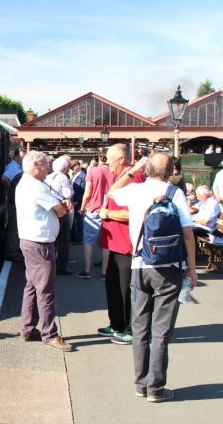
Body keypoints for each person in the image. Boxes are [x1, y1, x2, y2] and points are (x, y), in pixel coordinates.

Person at [108, 153, 197, 403]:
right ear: (171, 171)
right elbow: (188, 234)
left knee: (140, 327)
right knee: (161, 330)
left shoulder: (135, 189)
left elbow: (112, 192)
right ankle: (155, 388)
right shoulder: (174, 193)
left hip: (139, 264)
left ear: (147, 169)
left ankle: (140, 383)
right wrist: (191, 269)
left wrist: (132, 169)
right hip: (169, 268)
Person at [15, 151, 74, 351]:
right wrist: (63, 206)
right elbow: (61, 210)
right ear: (35, 166)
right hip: (40, 243)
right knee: (45, 290)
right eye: (45, 165)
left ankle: (28, 328)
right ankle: (49, 334)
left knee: (32, 286)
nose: (49, 169)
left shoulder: (25, 183)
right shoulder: (36, 186)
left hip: (31, 240)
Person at [97, 144, 144, 345]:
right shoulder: (121, 177)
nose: (107, 163)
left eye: (109, 159)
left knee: (126, 288)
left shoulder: (136, 179)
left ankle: (129, 329)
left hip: (127, 244)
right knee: (113, 285)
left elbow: (133, 213)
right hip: (115, 242)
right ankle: (116, 323)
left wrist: (107, 213)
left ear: (121, 159)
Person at [77, 154, 114, 278]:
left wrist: (82, 208)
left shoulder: (92, 171)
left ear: (98, 159)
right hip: (109, 210)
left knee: (88, 241)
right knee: (106, 243)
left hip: (93, 209)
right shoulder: (113, 172)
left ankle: (88, 270)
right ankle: (105, 272)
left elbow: (87, 193)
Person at [46, 155, 74, 274]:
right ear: (65, 166)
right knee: (63, 239)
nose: (70, 167)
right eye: (69, 165)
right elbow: (68, 193)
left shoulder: (48, 176)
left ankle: (50, 264)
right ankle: (61, 266)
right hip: (61, 209)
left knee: (52, 238)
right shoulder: (63, 177)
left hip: (50, 209)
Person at [3, 148, 26, 262]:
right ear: (16, 156)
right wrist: (13, 191)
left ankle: (15, 251)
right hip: (15, 202)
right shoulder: (13, 167)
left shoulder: (19, 167)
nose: (23, 158)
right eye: (22, 156)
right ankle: (12, 253)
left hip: (16, 201)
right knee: (14, 228)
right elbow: (4, 179)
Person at [70, 160, 87, 243]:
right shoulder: (75, 175)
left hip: (78, 202)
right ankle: (76, 237)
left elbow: (83, 190)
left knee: (79, 220)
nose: (72, 168)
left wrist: (77, 201)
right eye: (72, 167)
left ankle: (80, 238)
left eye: (74, 166)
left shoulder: (83, 176)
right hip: (75, 201)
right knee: (76, 220)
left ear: (78, 166)